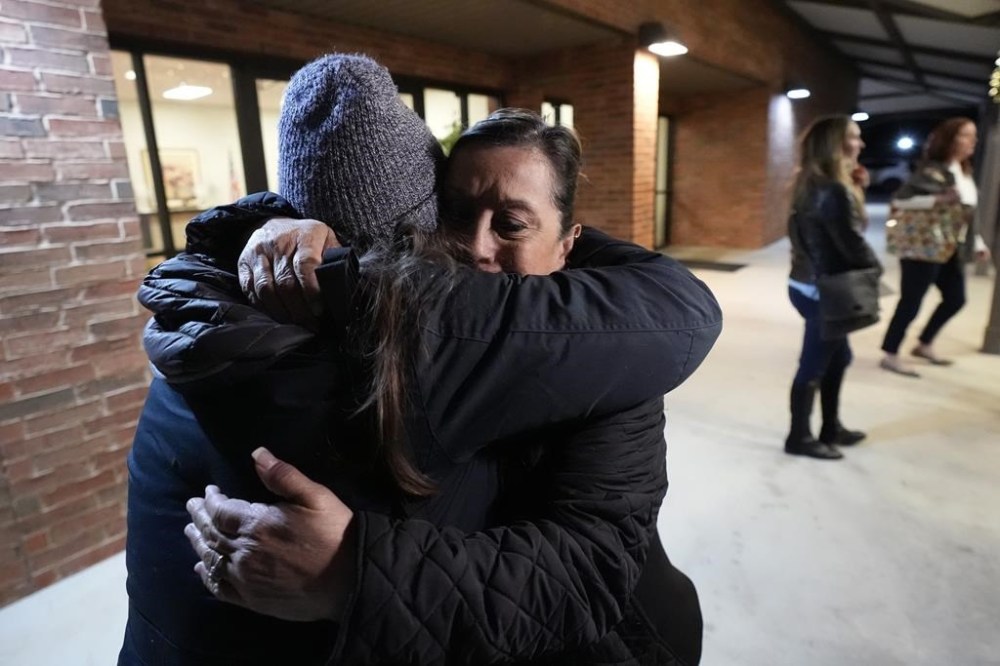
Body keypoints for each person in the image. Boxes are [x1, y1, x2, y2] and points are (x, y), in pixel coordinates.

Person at [121, 55, 721, 665]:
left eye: (512, 224)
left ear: (570, 242)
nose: (477, 247)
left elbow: (590, 567)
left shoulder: (611, 352)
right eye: (456, 215)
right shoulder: (369, 335)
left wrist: (353, 571)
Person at [784, 115, 882, 460]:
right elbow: (850, 241)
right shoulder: (832, 188)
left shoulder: (810, 181)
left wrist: (858, 188)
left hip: (805, 284)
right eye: (855, 137)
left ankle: (830, 428)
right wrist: (875, 269)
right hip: (824, 290)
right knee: (813, 366)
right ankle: (799, 437)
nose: (862, 143)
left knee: (839, 359)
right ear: (837, 144)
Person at [879, 117, 991, 377]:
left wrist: (977, 242)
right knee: (912, 301)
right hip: (923, 246)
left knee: (955, 298)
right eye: (966, 135)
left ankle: (924, 343)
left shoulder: (964, 171)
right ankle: (890, 353)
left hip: (950, 246)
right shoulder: (932, 170)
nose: (973, 141)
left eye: (973, 135)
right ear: (950, 139)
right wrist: (936, 199)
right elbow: (901, 200)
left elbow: (966, 214)